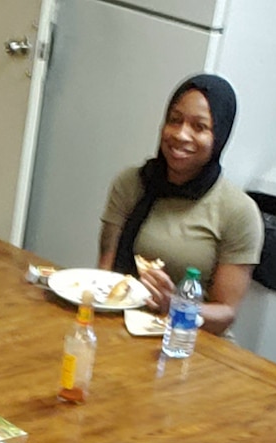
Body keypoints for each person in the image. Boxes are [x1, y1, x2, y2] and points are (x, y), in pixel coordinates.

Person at [98, 74, 261, 335]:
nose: (181, 135)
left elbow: (226, 313)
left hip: (191, 341)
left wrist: (173, 304)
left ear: (219, 136)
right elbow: (106, 274)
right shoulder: (131, 184)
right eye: (175, 121)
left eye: (199, 127)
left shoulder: (238, 211)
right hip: (123, 325)